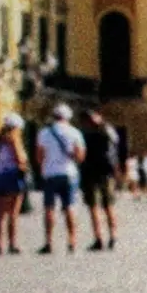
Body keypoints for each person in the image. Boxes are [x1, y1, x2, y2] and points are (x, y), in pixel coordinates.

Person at [35, 104, 86, 254]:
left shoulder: (44, 133)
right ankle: (72, 241)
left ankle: (49, 242)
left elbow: (39, 156)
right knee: (69, 207)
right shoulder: (74, 132)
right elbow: (80, 156)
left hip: (50, 173)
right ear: (68, 117)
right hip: (69, 173)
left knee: (49, 208)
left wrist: (46, 165)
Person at [0, 116, 28, 255]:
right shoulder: (13, 140)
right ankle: (12, 244)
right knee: (13, 213)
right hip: (12, 177)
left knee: (0, 213)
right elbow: (20, 158)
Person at [79, 109, 120, 251]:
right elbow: (115, 148)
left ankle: (105, 238)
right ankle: (106, 237)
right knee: (101, 206)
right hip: (102, 172)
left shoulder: (87, 133)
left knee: (100, 206)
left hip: (96, 171)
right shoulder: (107, 130)